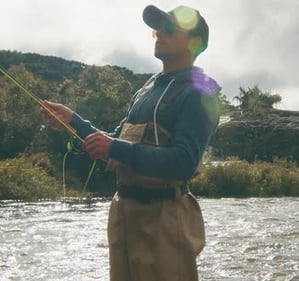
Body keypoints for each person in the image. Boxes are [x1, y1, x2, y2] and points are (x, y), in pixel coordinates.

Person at [41, 5, 220, 281]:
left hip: (165, 219)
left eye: (169, 28)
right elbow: (115, 142)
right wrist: (73, 121)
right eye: (157, 27)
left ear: (195, 42)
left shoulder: (199, 92)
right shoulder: (147, 89)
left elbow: (185, 162)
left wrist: (114, 148)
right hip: (124, 214)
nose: (159, 32)